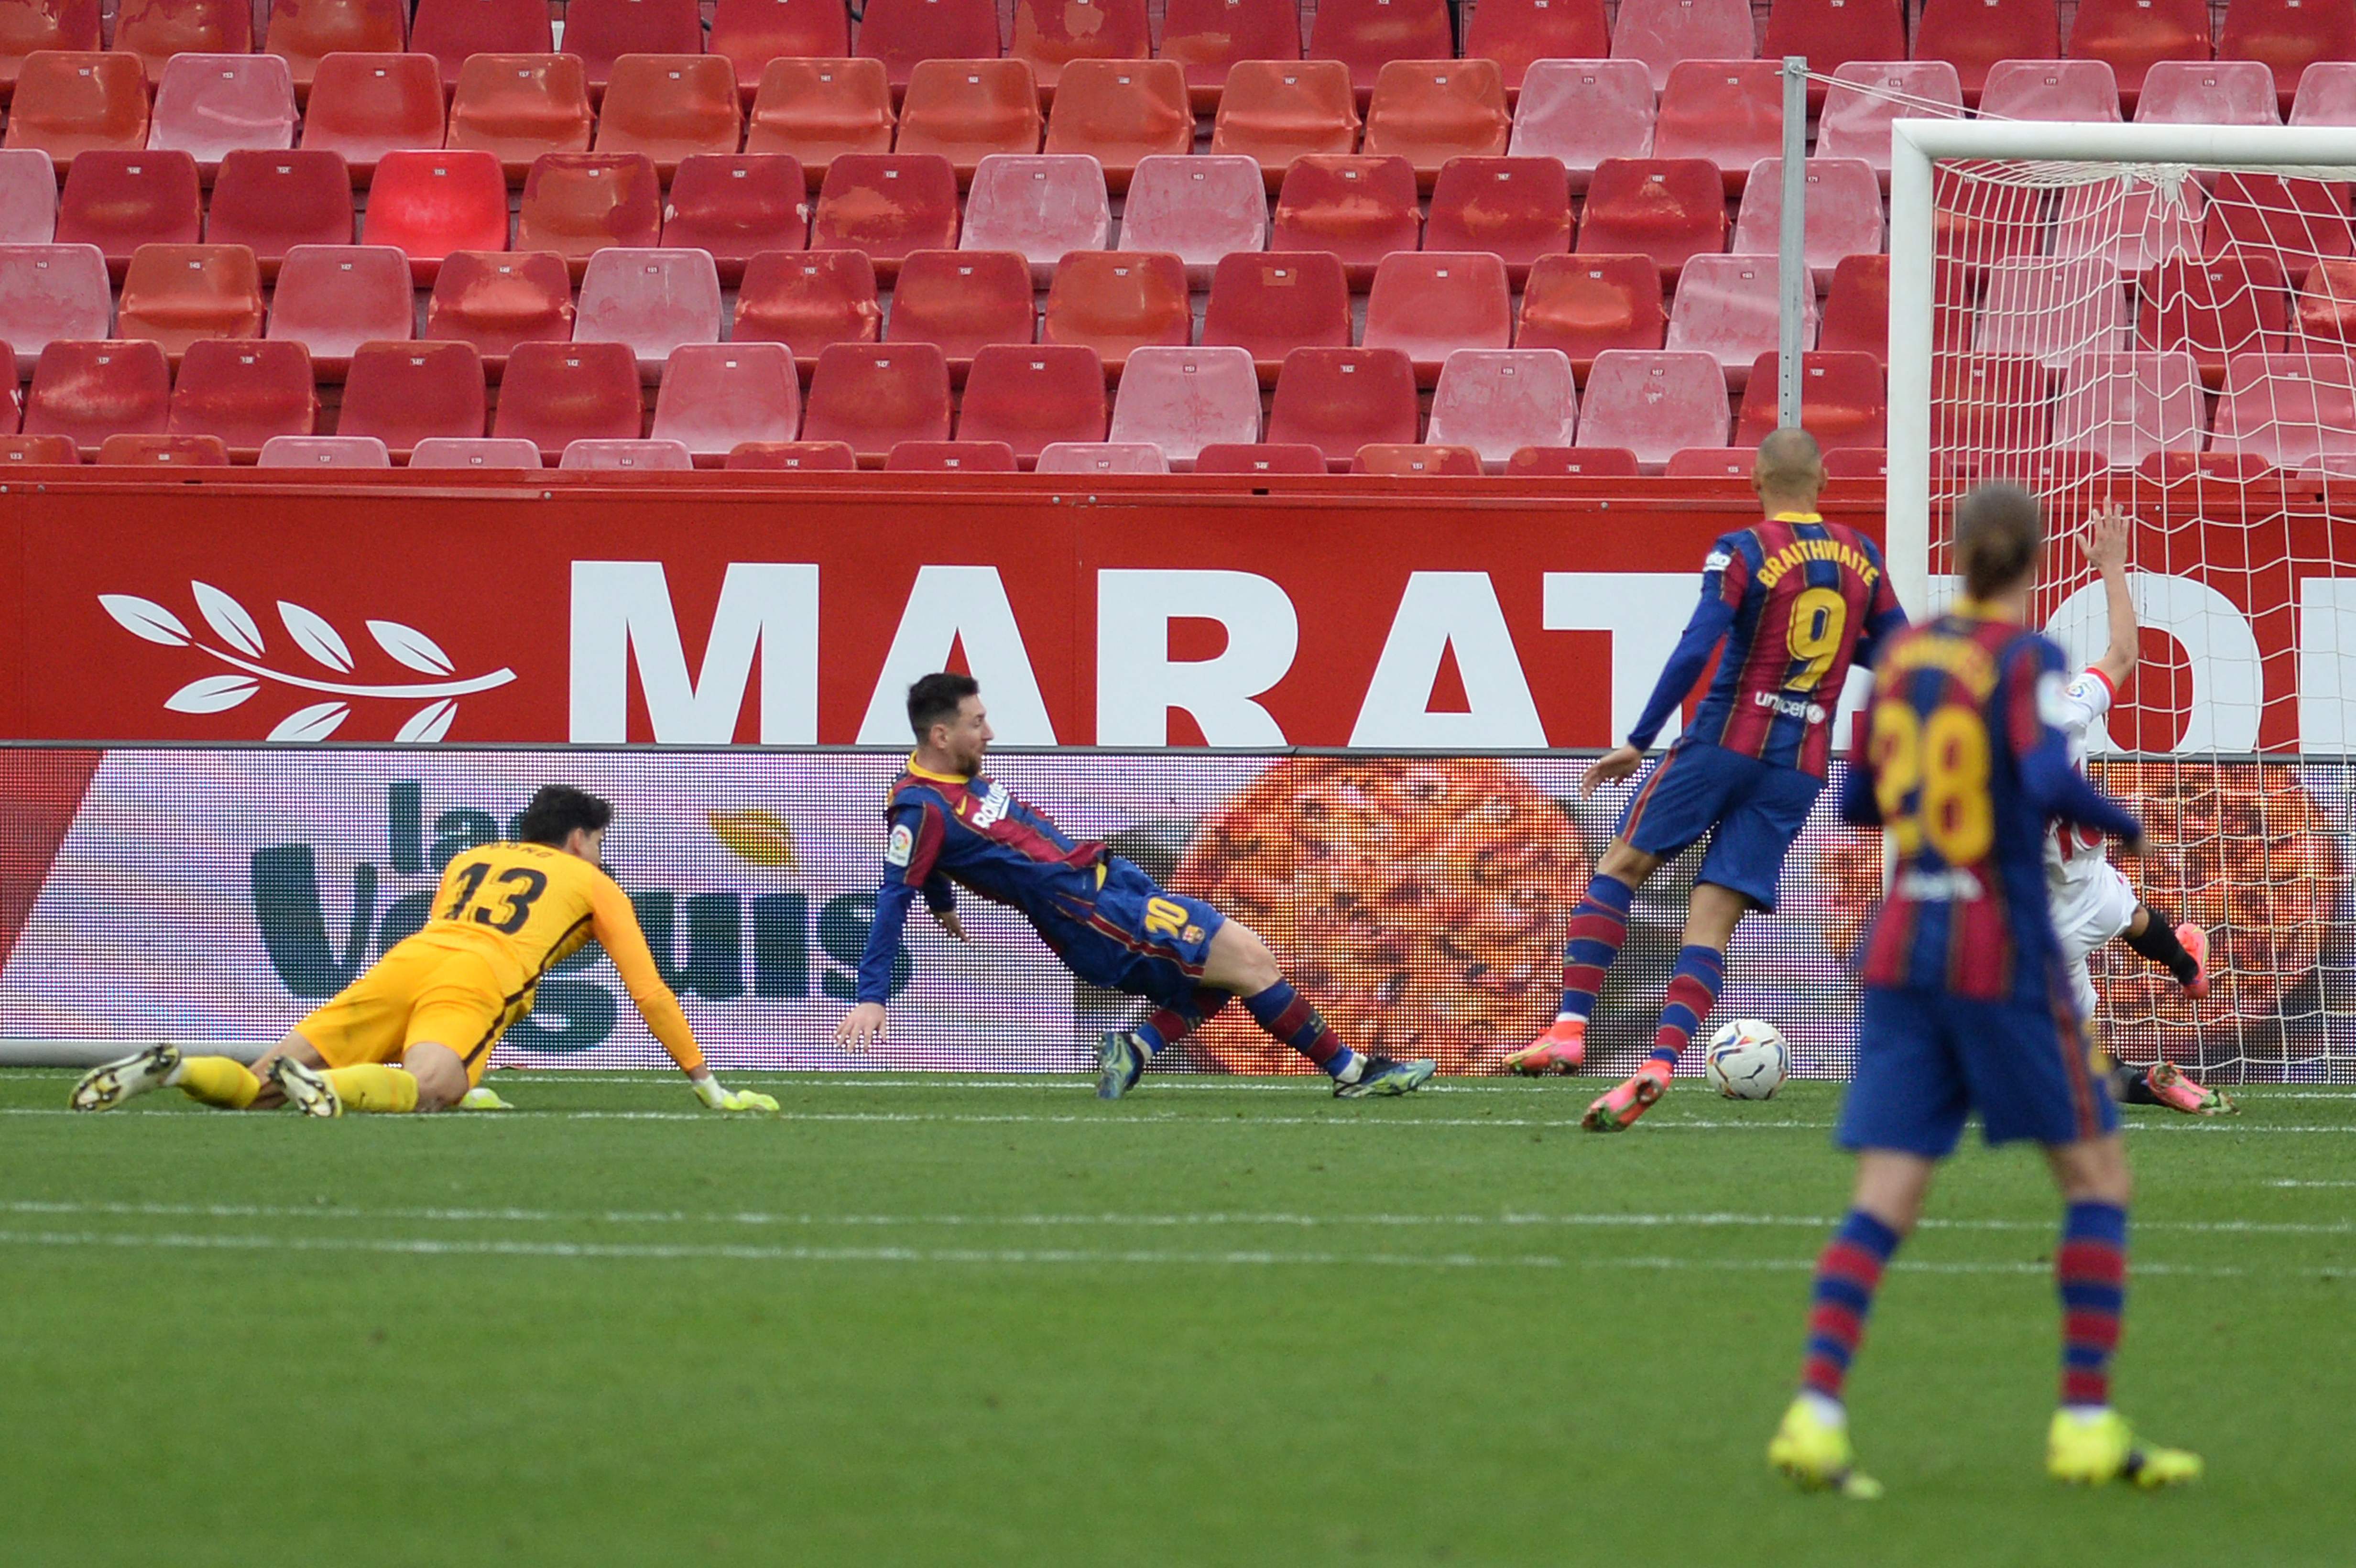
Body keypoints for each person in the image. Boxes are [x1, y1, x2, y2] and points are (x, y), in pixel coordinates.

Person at [1767, 483, 2200, 1498]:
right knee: (2097, 1178)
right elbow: (2048, 780)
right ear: (2034, 563)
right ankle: (2085, 1422)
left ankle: (1815, 1411)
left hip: (1901, 943)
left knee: (1887, 1191)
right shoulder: (2029, 662)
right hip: (1998, 948)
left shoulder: (1905, 661)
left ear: (1957, 556)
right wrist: (2118, 820)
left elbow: (1862, 800)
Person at [1504, 429, 1909, 1132]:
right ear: (1822, 484)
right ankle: (1659, 1063)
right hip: (1797, 766)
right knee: (1712, 920)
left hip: (1722, 741)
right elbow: (1900, 650)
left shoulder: (1744, 550)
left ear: (1756, 480)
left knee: (1621, 865)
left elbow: (1698, 645)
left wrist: (1638, 738)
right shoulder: (1863, 557)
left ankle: (1569, 1028)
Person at [835, 673, 1436, 1099]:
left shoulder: (949, 781)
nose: (989, 732)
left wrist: (943, 901)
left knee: (1230, 973)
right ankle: (1354, 1072)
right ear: (940, 737)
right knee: (1251, 962)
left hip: (1111, 883)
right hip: (1090, 914)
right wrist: (872, 995)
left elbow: (931, 864)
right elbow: (894, 896)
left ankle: (1138, 1047)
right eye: (976, 723)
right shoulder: (920, 808)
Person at [71, 785, 777, 1117]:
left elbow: (453, 936)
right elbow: (649, 992)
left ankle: (176, 1069)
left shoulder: (470, 858)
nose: (601, 853)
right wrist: (708, 1086)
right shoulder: (593, 881)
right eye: (599, 841)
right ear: (577, 841)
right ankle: (337, 1091)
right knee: (436, 1091)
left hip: (407, 960)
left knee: (260, 1086)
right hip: (473, 978)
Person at [2046, 503, 2233, 1116]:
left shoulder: (1983, 760)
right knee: (2128, 915)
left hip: (2043, 927)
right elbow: (2123, 652)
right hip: (2094, 887)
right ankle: (2187, 969)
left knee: (2080, 1064)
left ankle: (2144, 1082)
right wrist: (2111, 567)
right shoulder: (2067, 710)